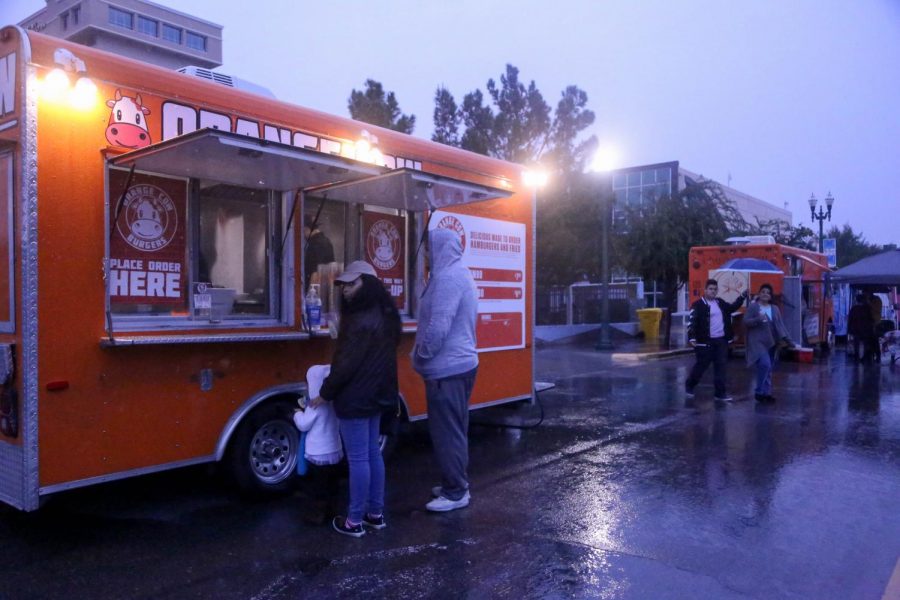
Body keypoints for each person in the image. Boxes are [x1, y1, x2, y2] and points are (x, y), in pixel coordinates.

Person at [311, 261, 401, 538]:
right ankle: (375, 514)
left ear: (368, 284)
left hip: (356, 397)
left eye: (353, 283)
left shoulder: (359, 320)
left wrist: (324, 394)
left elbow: (346, 365)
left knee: (359, 458)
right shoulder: (386, 315)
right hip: (378, 394)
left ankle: (353, 520)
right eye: (344, 285)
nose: (347, 290)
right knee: (373, 454)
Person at [412, 228, 479, 512]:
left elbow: (439, 325)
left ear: (440, 249)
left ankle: (455, 492)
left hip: (447, 370)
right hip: (458, 366)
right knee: (455, 430)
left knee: (446, 432)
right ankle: (456, 482)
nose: (427, 253)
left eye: (429, 248)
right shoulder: (457, 274)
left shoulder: (448, 278)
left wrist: (421, 355)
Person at [293, 365, 343, 525]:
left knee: (317, 487)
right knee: (332, 484)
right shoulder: (334, 403)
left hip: (317, 454)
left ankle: (317, 515)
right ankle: (332, 511)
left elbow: (303, 425)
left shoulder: (313, 406)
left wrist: (297, 413)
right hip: (334, 450)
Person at [685, 279, 748, 402]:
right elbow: (692, 321)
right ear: (705, 290)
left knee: (721, 368)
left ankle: (720, 393)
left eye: (715, 289)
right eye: (710, 289)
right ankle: (690, 385)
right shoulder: (698, 305)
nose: (713, 291)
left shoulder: (720, 302)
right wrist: (691, 337)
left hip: (721, 341)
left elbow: (732, 308)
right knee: (701, 367)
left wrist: (742, 297)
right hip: (705, 342)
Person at [744, 284, 793, 403]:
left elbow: (780, 325)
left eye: (768, 292)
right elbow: (745, 321)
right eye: (763, 292)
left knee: (769, 368)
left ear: (771, 296)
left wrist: (788, 340)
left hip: (772, 341)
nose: (765, 294)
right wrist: (757, 319)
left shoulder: (775, 308)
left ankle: (766, 393)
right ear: (759, 294)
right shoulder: (754, 307)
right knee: (765, 364)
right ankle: (759, 391)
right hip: (757, 342)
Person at [304, 214, 335, 289]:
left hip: (316, 292)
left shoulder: (315, 244)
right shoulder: (326, 241)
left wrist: (310, 296)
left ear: (306, 229)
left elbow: (315, 271)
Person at [848, 294, 875, 362]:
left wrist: (849, 329)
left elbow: (850, 319)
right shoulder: (867, 308)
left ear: (857, 300)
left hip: (856, 329)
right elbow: (871, 318)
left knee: (856, 343)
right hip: (865, 329)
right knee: (865, 343)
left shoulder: (854, 308)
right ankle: (864, 357)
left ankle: (856, 356)